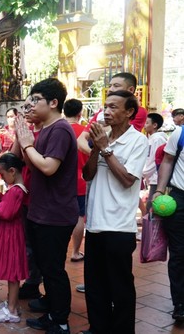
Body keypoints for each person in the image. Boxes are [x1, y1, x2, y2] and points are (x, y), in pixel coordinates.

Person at [14, 78, 78, 334]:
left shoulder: (61, 129)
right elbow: (31, 165)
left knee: (54, 270)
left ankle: (60, 320)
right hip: (41, 210)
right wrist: (24, 139)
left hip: (56, 213)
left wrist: (27, 142)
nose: (30, 104)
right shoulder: (45, 129)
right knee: (46, 266)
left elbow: (49, 167)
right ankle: (50, 310)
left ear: (53, 103)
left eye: (35, 100)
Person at [83, 90, 148, 333]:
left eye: (113, 107)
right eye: (105, 107)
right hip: (95, 223)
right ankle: (98, 328)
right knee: (95, 285)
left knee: (119, 287)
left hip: (119, 226)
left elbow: (128, 179)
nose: (106, 111)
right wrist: (97, 149)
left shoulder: (138, 141)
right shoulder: (104, 136)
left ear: (129, 112)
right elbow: (88, 175)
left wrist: (106, 149)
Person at [0, 153, 29, 324]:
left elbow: (6, 212)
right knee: (12, 274)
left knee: (12, 273)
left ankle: (11, 311)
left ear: (12, 171)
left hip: (11, 236)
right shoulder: (15, 190)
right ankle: (11, 303)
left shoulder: (17, 190)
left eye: (2, 174)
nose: (2, 178)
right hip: (11, 234)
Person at [152, 114, 184, 323]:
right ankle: (180, 304)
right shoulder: (180, 133)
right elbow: (168, 160)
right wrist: (160, 189)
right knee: (179, 254)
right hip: (180, 199)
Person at [14, 96, 44, 300]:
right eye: (24, 107)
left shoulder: (49, 132)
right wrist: (19, 135)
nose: (27, 110)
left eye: (30, 106)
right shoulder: (27, 132)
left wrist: (26, 144)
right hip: (24, 195)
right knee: (27, 242)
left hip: (39, 197)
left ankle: (35, 282)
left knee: (38, 245)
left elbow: (34, 164)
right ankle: (31, 281)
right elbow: (12, 157)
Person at [77, 72, 147, 154]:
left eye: (116, 86)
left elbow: (120, 134)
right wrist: (98, 156)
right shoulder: (102, 112)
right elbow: (81, 140)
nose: (110, 89)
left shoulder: (138, 111)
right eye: (110, 86)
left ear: (130, 90)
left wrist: (104, 151)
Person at [63, 99, 89, 262]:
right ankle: (75, 251)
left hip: (62, 180)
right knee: (80, 216)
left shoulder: (58, 129)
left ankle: (60, 250)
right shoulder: (85, 131)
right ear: (80, 114)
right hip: (81, 180)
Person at [142, 113, 167, 210]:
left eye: (147, 123)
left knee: (153, 205)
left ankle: (152, 225)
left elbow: (155, 160)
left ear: (155, 125)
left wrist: (143, 173)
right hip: (151, 177)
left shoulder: (157, 139)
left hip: (156, 177)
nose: (144, 125)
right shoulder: (152, 138)